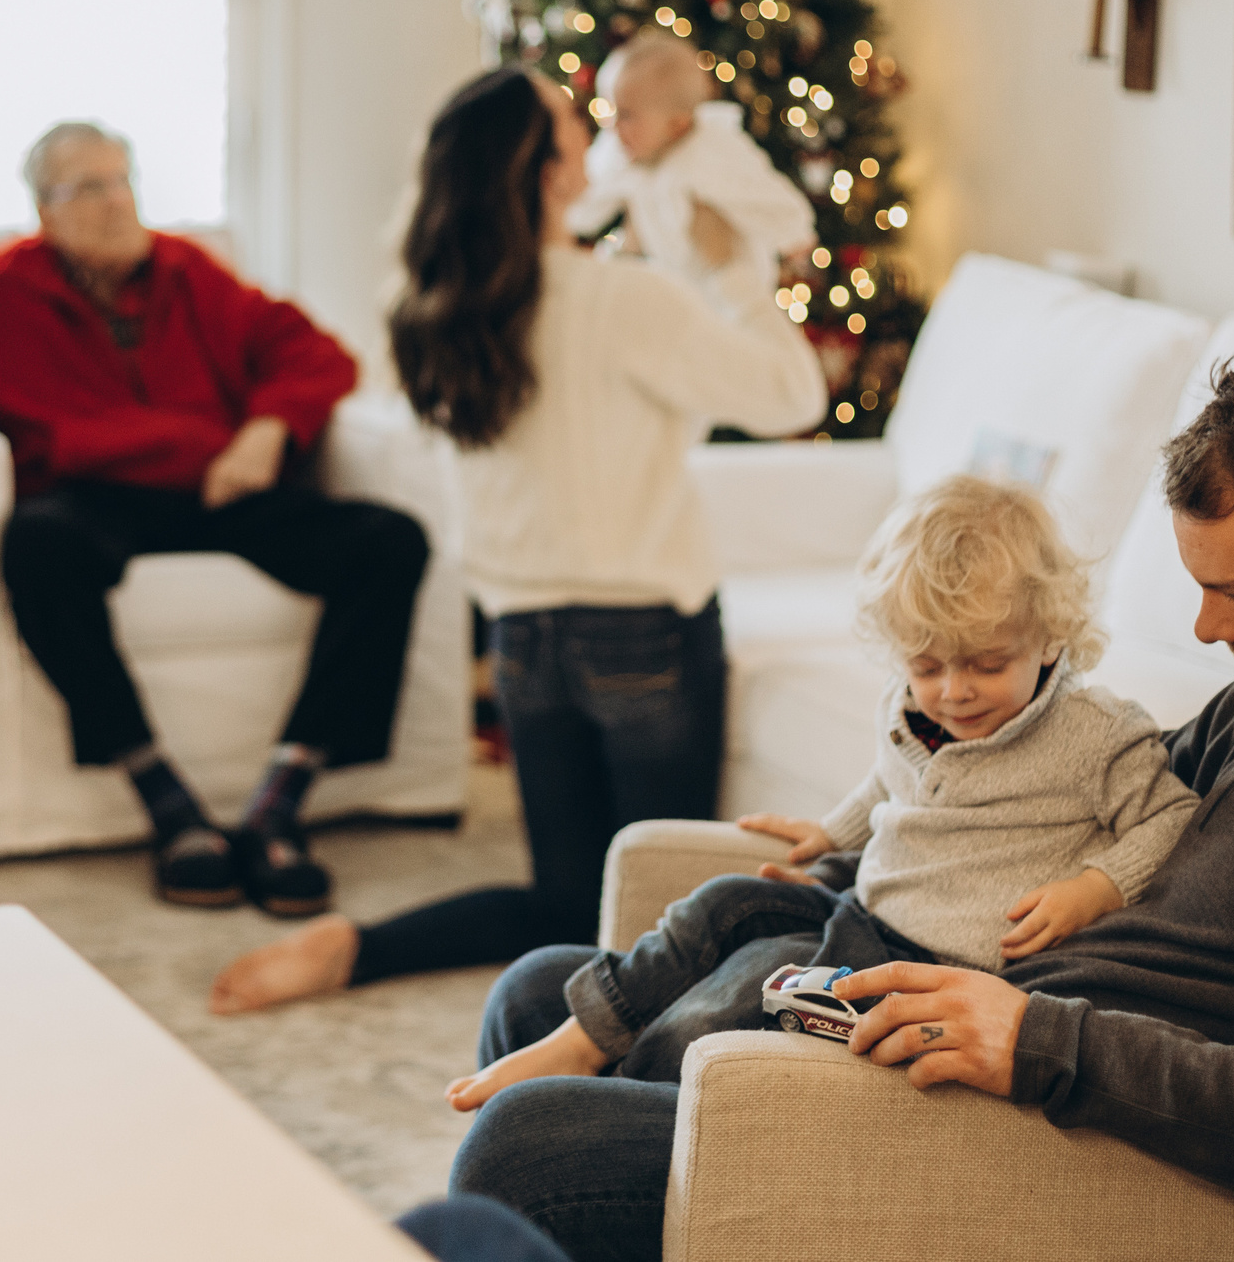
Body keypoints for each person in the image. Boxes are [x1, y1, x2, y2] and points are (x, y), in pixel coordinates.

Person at [450, 357, 1234, 1259]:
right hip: (951, 1009)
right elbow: (1045, 799)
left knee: (526, 1147)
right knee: (536, 996)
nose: (1205, 633)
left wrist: (1038, 1039)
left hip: (1024, 1114)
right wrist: (862, 872)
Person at [207, 65, 827, 1014]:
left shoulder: (433, 310)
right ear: (546, 172)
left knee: (569, 902)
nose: (590, 131)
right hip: (645, 641)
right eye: (571, 124)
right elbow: (793, 397)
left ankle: (359, 947)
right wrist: (733, 274)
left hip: (522, 637)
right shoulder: (620, 299)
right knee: (667, 909)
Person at [445, 474, 1196, 1110]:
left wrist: (1095, 886)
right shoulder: (912, 708)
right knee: (722, 904)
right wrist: (833, 833)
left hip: (930, 972)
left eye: (987, 664)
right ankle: (580, 1041)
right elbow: (888, 780)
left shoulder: (1096, 731)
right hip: (863, 913)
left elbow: (1172, 814)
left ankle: (619, 1112)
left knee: (723, 1005)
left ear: (1053, 637)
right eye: (928, 665)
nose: (954, 692)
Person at [0, 121, 430, 915]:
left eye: (123, 182)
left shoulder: (191, 273)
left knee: (389, 542)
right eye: (88, 187)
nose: (116, 204)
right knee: (34, 545)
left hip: (220, 486)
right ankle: (165, 799)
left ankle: (280, 799)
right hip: (94, 492)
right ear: (42, 209)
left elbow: (316, 354)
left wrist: (267, 429)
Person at [565, 30, 814, 303]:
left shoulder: (712, 152)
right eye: (610, 109)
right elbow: (583, 208)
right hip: (673, 289)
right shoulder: (622, 148)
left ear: (677, 124)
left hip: (730, 292)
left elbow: (764, 196)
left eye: (626, 115)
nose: (612, 126)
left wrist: (794, 235)